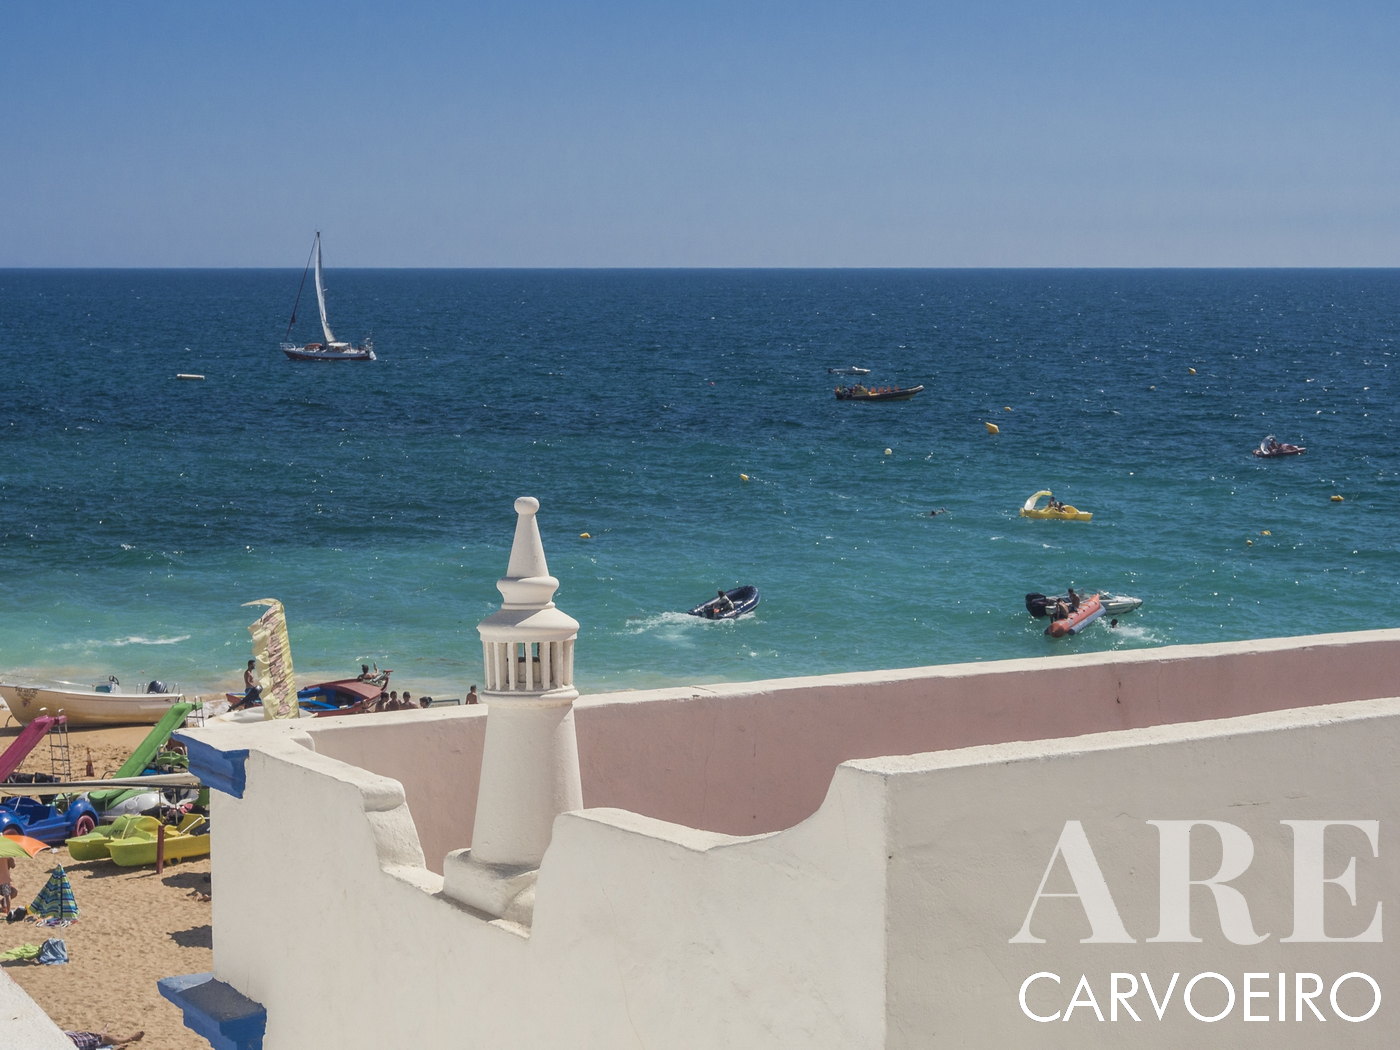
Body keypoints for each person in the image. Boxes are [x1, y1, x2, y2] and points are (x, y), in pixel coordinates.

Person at [64, 1031, 144, 1049]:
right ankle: (126, 1039)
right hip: (69, 1042)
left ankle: (111, 1047)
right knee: (101, 1037)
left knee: (96, 1039)